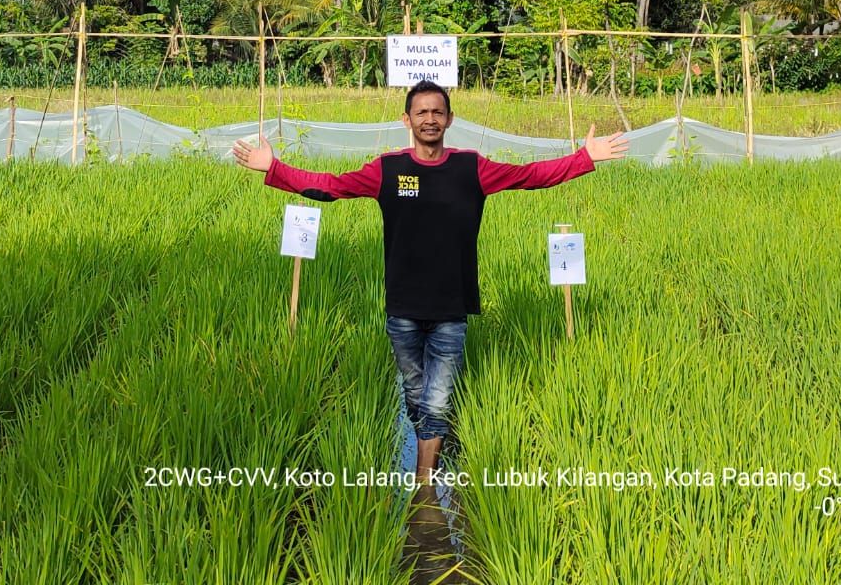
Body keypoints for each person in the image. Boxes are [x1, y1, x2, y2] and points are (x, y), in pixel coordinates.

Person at [231, 78, 628, 492]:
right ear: (407, 119)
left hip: (451, 308)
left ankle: (424, 484)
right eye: (421, 112)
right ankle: (430, 442)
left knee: (436, 399)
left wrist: (585, 158)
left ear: (450, 119)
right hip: (402, 308)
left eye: (438, 112)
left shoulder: (471, 168)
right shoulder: (388, 169)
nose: (430, 119)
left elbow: (531, 176)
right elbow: (332, 187)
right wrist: (273, 169)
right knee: (415, 392)